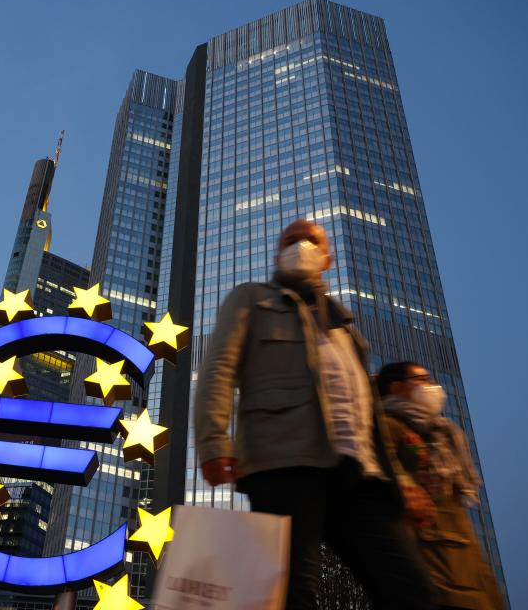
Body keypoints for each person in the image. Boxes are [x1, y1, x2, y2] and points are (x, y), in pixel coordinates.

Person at [193, 218, 434, 610]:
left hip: (361, 474)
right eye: (291, 240)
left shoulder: (347, 327)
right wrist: (213, 440)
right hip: (285, 461)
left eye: (311, 240)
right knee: (293, 592)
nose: (301, 245)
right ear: (276, 254)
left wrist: (401, 479)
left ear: (328, 258)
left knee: (410, 589)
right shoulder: (252, 298)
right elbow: (218, 368)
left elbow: (370, 417)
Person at [378, 362, 504, 610]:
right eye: (421, 379)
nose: (431, 386)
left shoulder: (441, 433)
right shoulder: (388, 426)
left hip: (467, 562)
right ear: (396, 387)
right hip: (431, 561)